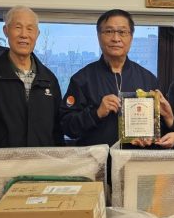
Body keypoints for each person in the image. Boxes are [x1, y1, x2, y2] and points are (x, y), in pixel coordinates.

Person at [59, 9, 159, 146]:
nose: (116, 38)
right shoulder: (82, 79)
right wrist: (96, 113)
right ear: (99, 36)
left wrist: (150, 137)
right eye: (109, 31)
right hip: (95, 158)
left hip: (135, 157)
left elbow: (159, 125)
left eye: (122, 32)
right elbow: (66, 126)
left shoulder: (148, 79)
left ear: (131, 37)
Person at [0, 6, 63, 147]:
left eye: (30, 29)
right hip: (1, 161)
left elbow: (57, 132)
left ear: (37, 34)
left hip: (42, 160)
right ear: (6, 31)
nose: (24, 35)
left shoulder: (49, 80)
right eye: (18, 27)